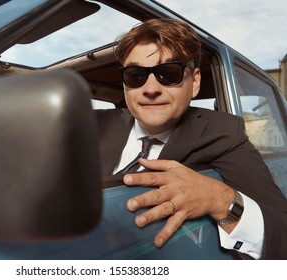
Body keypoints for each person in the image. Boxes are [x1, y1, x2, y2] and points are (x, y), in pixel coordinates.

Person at [96, 18, 287, 259]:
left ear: (194, 81)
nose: (151, 88)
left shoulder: (223, 134)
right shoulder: (92, 123)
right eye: (136, 76)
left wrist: (221, 200)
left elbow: (282, 235)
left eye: (169, 73)